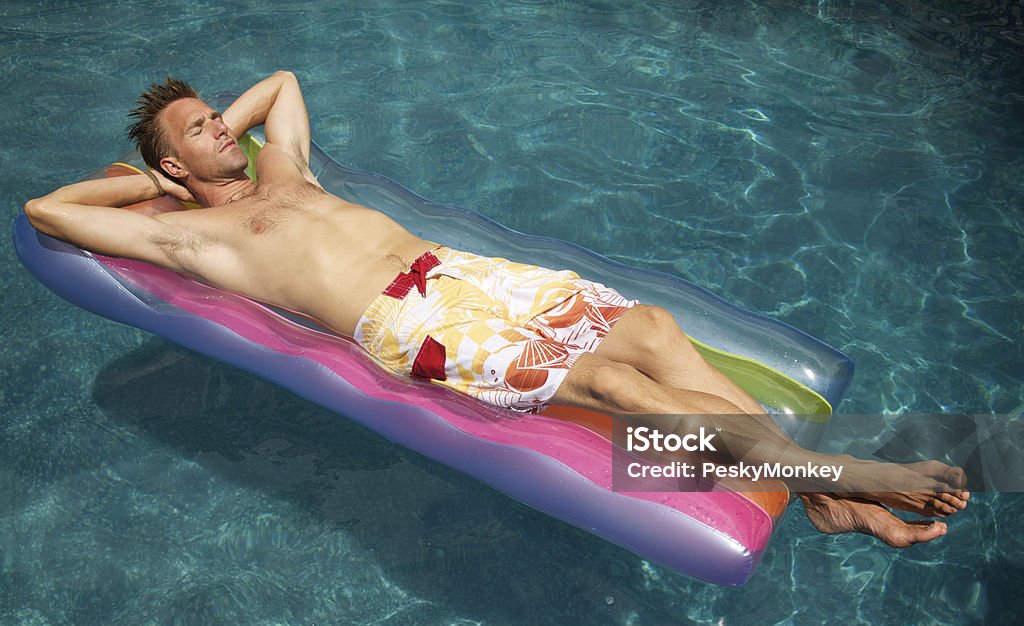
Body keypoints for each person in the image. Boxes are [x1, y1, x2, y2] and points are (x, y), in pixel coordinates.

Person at [24, 72, 969, 547]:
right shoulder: (196, 238)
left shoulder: (284, 165)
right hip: (413, 323)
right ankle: (850, 473)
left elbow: (281, 83)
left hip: (463, 275)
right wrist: (159, 181)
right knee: (614, 384)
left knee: (653, 332)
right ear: (177, 166)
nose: (224, 124)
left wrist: (212, 123)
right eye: (201, 129)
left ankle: (821, 499)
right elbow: (46, 212)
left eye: (216, 115)